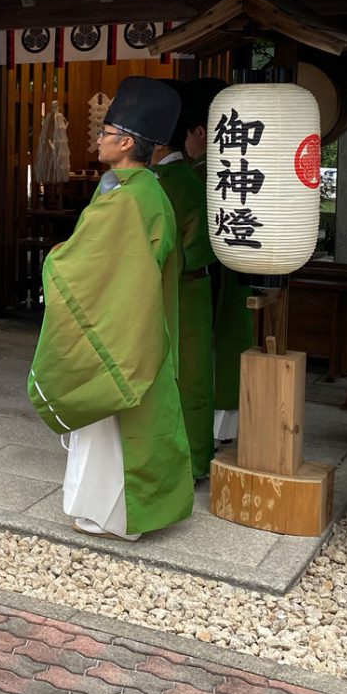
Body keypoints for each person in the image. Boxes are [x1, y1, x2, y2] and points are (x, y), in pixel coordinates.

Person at [28, 76, 193, 541]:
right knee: (135, 421)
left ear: (125, 141)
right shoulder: (146, 191)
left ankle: (115, 517)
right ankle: (123, 512)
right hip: (140, 324)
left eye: (104, 132)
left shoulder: (128, 198)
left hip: (119, 330)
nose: (98, 138)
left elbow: (89, 263)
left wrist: (59, 258)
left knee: (112, 417)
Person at [181, 77, 254, 443]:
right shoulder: (235, 167)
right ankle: (227, 420)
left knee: (210, 345)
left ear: (200, 131)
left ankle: (212, 424)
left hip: (210, 271)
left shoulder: (195, 175)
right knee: (228, 338)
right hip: (232, 265)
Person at [152, 83, 216, 480]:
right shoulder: (192, 180)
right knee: (193, 375)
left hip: (169, 288)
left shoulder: (158, 184)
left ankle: (178, 462)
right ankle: (194, 457)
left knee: (173, 374)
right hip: (194, 287)